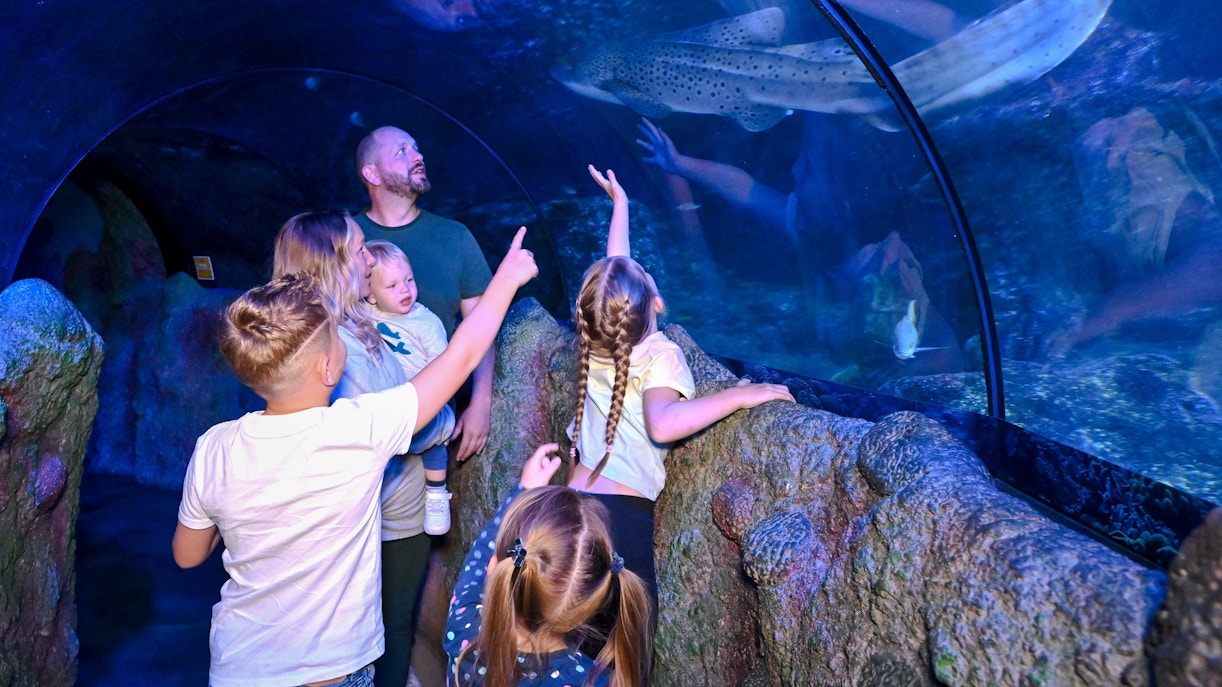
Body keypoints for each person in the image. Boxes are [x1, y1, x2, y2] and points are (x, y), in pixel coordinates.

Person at [171, 225, 538, 687]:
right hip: (332, 672)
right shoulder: (357, 431)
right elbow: (461, 358)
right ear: (328, 367)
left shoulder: (213, 446)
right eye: (334, 337)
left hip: (240, 666)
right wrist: (504, 280)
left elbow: (188, 555)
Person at [566, 165, 795, 615]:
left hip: (575, 494)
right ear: (657, 303)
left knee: (569, 625)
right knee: (628, 642)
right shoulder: (661, 354)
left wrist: (622, 207)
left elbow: (614, 278)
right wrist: (739, 395)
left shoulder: (596, 339)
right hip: (620, 515)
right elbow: (663, 422)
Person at [444, 443, 653, 687]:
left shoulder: (465, 633)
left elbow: (475, 566)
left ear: (496, 569)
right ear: (588, 606)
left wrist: (522, 492)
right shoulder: (592, 681)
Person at [354, 125, 495, 463]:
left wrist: (481, 404)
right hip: (361, 426)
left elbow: (483, 328)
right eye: (401, 151)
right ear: (371, 173)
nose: (418, 156)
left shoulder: (455, 238)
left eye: (416, 148)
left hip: (436, 422)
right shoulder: (348, 241)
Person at [365, 239, 456, 535]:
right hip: (386, 409)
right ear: (370, 295)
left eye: (409, 280)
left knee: (436, 446)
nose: (405, 289)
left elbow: (446, 365)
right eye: (392, 286)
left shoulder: (426, 321)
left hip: (421, 406)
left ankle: (437, 494)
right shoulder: (363, 314)